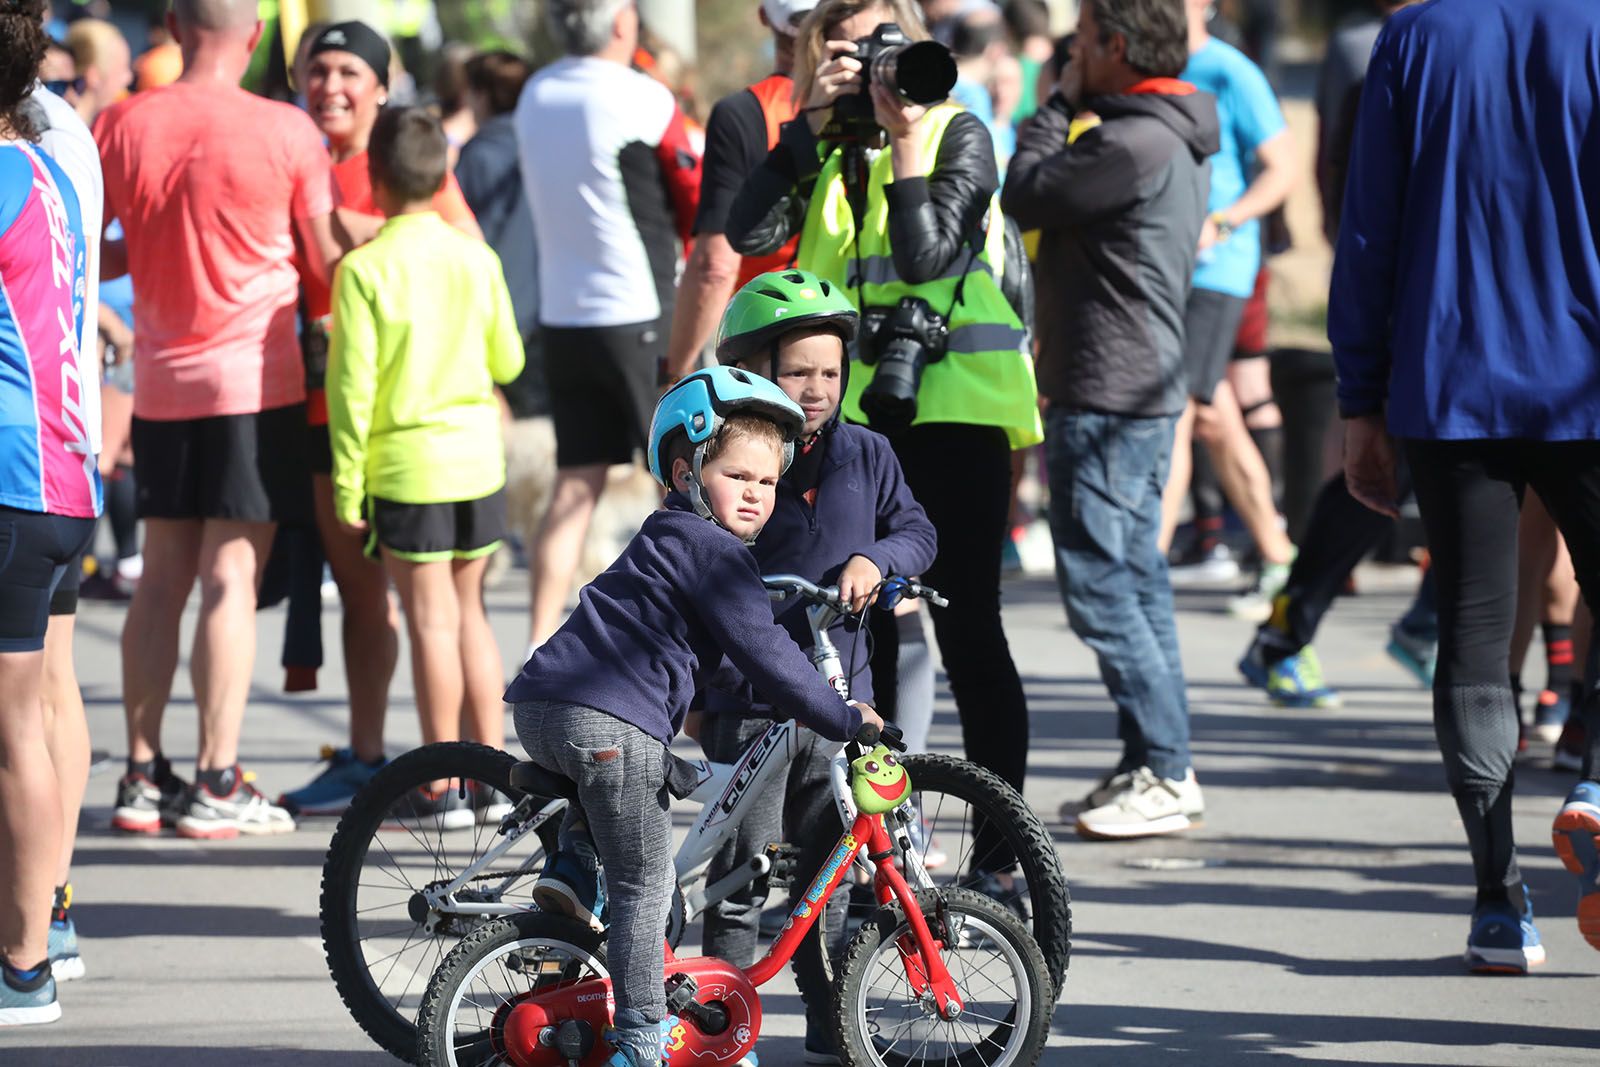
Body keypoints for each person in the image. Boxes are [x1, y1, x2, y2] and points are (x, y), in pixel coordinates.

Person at [507, 365, 880, 1067]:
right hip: (609, 721)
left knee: (622, 813)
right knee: (646, 884)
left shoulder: (666, 533)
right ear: (686, 474)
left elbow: (725, 656)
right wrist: (839, 714)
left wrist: (753, 697)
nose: (756, 494)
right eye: (737, 476)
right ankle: (642, 1040)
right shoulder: (718, 554)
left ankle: (574, 867)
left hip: (545, 706)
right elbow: (767, 652)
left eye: (768, 481)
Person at [1333, 0, 1600, 969]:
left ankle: (1498, 900)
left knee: (1476, 633)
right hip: (1587, 377)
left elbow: (1368, 229)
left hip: (1449, 379)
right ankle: (1595, 787)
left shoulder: (1414, 37)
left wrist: (1359, 398)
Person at [728, 0, 1042, 820]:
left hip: (958, 411)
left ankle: (1000, 849)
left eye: (879, 44)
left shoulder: (956, 131)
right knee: (859, 634)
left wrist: (904, 136)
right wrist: (806, 125)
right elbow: (747, 231)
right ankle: (878, 842)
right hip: (857, 426)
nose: (869, 64)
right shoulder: (829, 148)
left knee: (970, 631)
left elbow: (925, 255)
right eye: (845, 49)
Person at [96, 0, 342, 839]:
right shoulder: (287, 129)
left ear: (172, 25)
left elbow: (97, 246)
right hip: (254, 382)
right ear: (257, 33)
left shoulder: (122, 122)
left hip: (161, 381)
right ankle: (216, 777)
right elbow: (324, 261)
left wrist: (159, 244)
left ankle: (139, 774)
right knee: (231, 576)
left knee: (160, 576)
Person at [696, 270, 935, 1062]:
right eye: (799, 371)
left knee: (828, 881)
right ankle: (718, 1028)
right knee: (741, 878)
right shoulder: (729, 460)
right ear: (754, 369)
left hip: (841, 703)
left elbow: (918, 531)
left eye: (831, 371)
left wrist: (878, 557)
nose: (819, 388)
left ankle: (833, 1022)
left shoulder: (868, 453)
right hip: (751, 703)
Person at [1003, 0, 1214, 838]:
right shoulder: (1166, 132)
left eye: (1085, 43)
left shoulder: (1128, 143)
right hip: (1134, 388)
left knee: (1101, 589)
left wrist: (1055, 103)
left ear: (1118, 46)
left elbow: (1024, 192)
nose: (1073, 55)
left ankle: (1166, 769)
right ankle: (1153, 760)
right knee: (1136, 581)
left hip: (1107, 393)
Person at [277, 20, 486, 817]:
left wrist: (343, 231)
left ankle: (468, 774)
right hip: (316, 408)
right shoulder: (295, 158)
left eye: (347, 72)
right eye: (317, 69)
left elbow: (462, 246)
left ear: (381, 85)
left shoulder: (406, 163)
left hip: (404, 426)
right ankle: (367, 757)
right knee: (362, 597)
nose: (330, 85)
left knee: (438, 606)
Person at [325, 108, 522, 800]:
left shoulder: (363, 269)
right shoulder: (477, 258)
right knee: (471, 615)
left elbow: (351, 389)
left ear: (374, 180)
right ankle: (493, 778)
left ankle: (440, 786)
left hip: (408, 468)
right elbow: (509, 359)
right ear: (443, 179)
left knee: (431, 622)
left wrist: (347, 485)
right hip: (477, 461)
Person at [515, 0, 702, 657]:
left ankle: (538, 637)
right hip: (638, 311)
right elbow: (695, 193)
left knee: (576, 482)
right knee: (681, 480)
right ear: (622, 23)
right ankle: (682, 641)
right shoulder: (641, 96)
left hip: (566, 314)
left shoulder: (536, 93)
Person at [0, 3, 101, 1025]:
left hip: (15, 477)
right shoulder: (46, 169)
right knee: (32, 716)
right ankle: (38, 929)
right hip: (64, 474)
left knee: (11, 732)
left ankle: (22, 963)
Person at [1157, 0, 1297, 610]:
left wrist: (1224, 221)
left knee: (1181, 408)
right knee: (1212, 413)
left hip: (1219, 267)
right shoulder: (1149, 64)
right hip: (1164, 267)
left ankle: (1145, 567)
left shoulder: (1230, 70)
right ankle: (1280, 554)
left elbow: (1282, 168)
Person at [28, 40, 115, 987]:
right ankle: (49, 907)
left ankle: (38, 921)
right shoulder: (66, 132)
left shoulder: (32, 143)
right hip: (67, 440)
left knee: (30, 703)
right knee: (51, 686)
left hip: (32, 446)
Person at [662, 0, 818, 384]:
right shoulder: (884, 106)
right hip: (861, 331)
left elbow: (715, 265)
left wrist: (677, 372)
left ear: (764, 16)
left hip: (770, 331)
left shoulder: (745, 112)